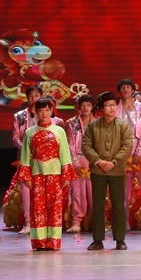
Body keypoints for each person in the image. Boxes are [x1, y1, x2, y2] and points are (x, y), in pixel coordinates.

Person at [16, 97, 76, 250]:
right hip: (37, 175)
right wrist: (27, 177)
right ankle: (39, 241)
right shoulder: (29, 132)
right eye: (41, 110)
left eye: (47, 110)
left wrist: (65, 175)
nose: (44, 113)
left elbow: (65, 154)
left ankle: (53, 241)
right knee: (38, 208)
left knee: (55, 208)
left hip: (55, 175)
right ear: (35, 112)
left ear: (51, 111)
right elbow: (25, 157)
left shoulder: (59, 131)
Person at [5, 86, 65, 233]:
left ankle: (50, 223)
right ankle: (28, 222)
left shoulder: (55, 120)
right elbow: (16, 138)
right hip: (26, 159)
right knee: (27, 191)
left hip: (49, 163)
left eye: (36, 95)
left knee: (49, 194)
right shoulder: (19, 116)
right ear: (27, 98)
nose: (34, 98)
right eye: (31, 96)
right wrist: (28, 149)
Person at [82, 91, 133, 251]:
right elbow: (86, 146)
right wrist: (98, 161)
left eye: (114, 105)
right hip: (98, 172)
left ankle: (120, 239)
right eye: (108, 105)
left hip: (117, 171)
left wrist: (114, 162)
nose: (112, 108)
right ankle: (97, 240)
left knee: (118, 206)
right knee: (97, 206)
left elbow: (127, 147)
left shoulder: (123, 125)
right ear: (101, 108)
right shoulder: (93, 126)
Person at [117, 78, 141, 231]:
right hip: (120, 153)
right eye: (123, 87)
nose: (125, 89)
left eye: (128, 87)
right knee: (123, 191)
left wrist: (138, 152)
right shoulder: (115, 107)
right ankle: (123, 221)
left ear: (133, 90)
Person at [65, 94, 94, 232]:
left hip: (95, 162)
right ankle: (76, 222)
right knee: (77, 193)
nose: (85, 108)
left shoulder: (99, 122)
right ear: (78, 107)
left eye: (88, 105)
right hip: (78, 160)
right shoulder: (72, 124)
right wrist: (75, 163)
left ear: (93, 107)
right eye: (82, 105)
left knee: (96, 193)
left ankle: (100, 221)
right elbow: (70, 145)